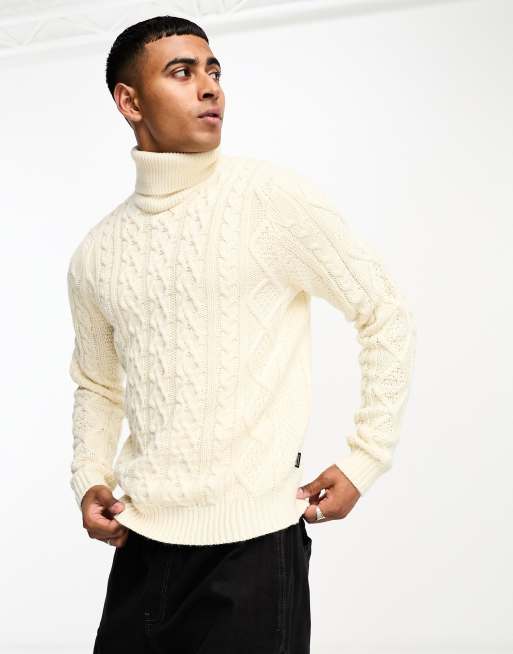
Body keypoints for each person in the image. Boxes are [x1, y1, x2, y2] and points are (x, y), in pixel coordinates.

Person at [66, 15, 417, 654]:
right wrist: (90, 475)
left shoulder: (269, 199)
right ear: (130, 102)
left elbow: (383, 311)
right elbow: (98, 384)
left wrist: (367, 456)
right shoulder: (97, 253)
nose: (210, 88)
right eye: (182, 72)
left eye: (213, 71)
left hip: (254, 552)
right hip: (141, 549)